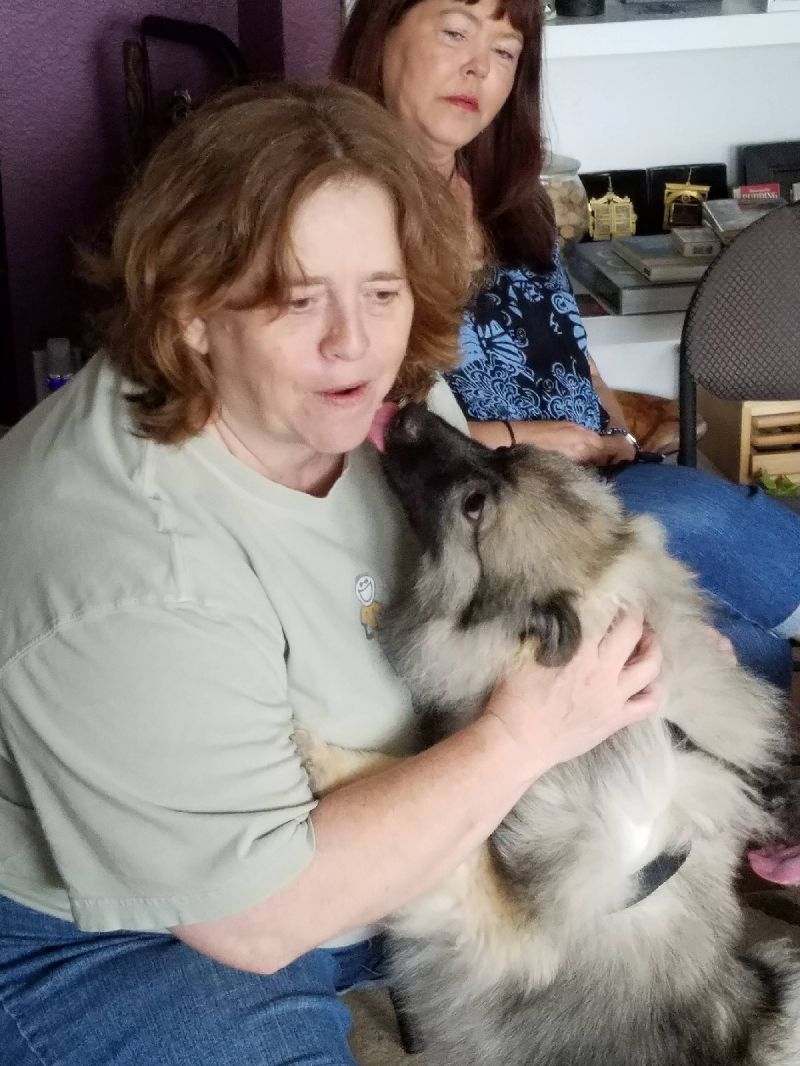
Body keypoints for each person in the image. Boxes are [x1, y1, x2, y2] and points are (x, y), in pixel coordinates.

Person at [0, 82, 662, 1066]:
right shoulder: (133, 566)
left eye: (382, 291)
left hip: (373, 831)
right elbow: (261, 918)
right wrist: (525, 735)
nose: (353, 341)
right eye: (297, 299)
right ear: (190, 310)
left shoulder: (367, 398)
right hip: (119, 934)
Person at [332, 0, 800, 690]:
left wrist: (613, 430)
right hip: (485, 507)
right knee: (682, 514)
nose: (478, 69)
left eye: (505, 51)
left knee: (736, 640)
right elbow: (364, 429)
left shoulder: (515, 198)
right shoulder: (343, 213)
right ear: (381, 34)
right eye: (455, 32)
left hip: (587, 478)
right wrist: (532, 440)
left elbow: (567, 348)